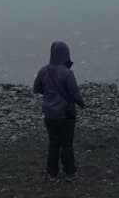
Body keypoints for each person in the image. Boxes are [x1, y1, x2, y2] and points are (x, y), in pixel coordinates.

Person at [33, 41, 85, 180]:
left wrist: (49, 93)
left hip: (49, 114)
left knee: (54, 143)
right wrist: (82, 104)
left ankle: (52, 173)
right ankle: (70, 172)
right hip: (66, 114)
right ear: (66, 55)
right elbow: (74, 94)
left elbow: (36, 89)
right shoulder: (67, 73)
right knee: (67, 144)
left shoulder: (43, 70)